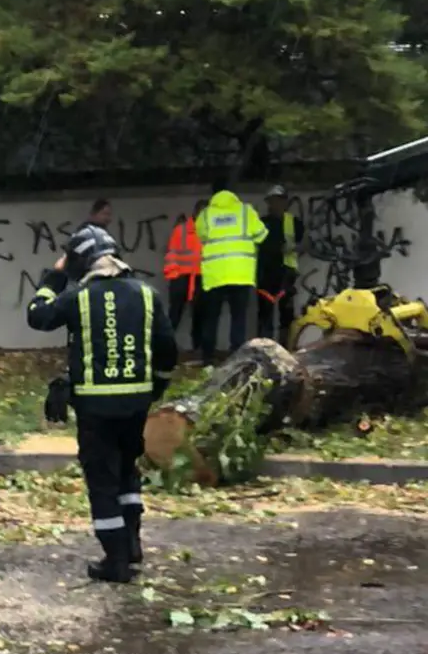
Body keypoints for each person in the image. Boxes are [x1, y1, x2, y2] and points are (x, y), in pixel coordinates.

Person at [27, 226, 178, 583]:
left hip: (95, 410)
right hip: (136, 404)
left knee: (102, 481)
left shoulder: (78, 296)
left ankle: (116, 560)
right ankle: (132, 544)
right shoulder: (146, 294)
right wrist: (157, 385)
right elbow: (168, 348)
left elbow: (38, 315)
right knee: (128, 472)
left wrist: (54, 277)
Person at [195, 178, 268, 363]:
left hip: (215, 276)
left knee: (211, 317)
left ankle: (207, 357)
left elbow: (201, 236)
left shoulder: (205, 215)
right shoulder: (246, 211)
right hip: (241, 274)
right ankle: (236, 357)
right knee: (238, 318)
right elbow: (261, 235)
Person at [256, 185, 304, 346]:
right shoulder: (262, 223)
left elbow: (306, 243)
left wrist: (295, 248)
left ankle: (287, 347)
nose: (275, 204)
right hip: (266, 274)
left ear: (285, 202)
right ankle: (265, 349)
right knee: (265, 314)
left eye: (278, 200)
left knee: (287, 315)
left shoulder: (293, 222)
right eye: (272, 201)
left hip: (286, 274)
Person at [163, 199, 208, 356]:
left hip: (200, 277)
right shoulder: (181, 230)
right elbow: (171, 253)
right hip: (181, 277)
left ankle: (197, 349)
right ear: (195, 212)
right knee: (175, 315)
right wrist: (173, 276)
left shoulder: (210, 232)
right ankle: (164, 348)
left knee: (199, 316)